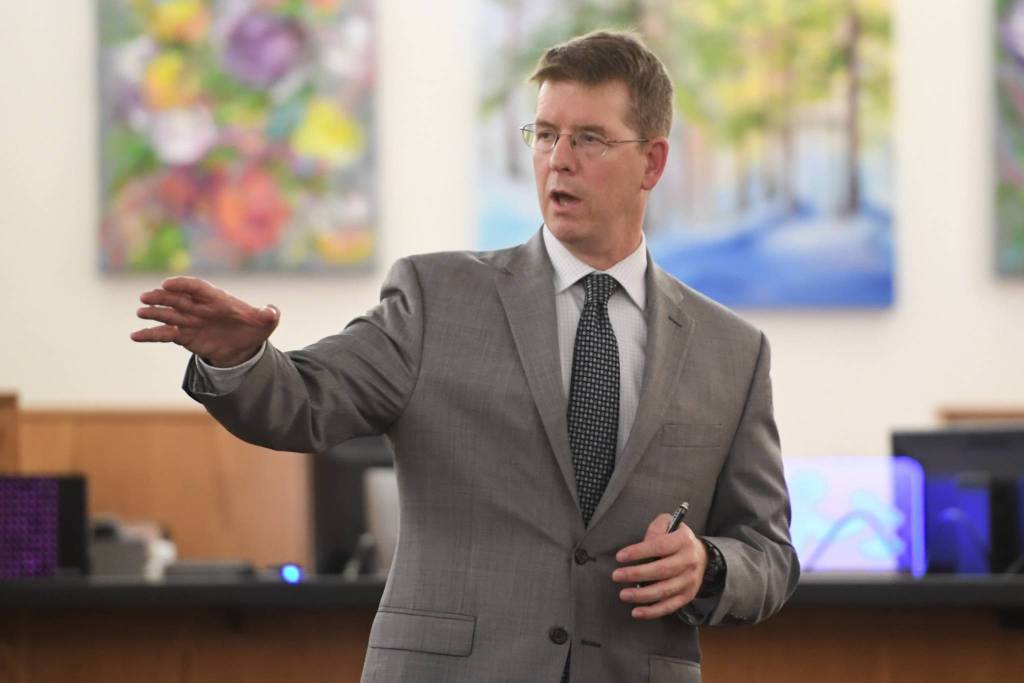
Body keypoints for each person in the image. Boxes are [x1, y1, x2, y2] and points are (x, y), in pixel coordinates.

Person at [132, 30, 798, 683]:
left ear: (652, 162)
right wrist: (241, 357)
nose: (557, 159)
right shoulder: (436, 297)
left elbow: (769, 550)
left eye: (588, 138)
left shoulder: (731, 351)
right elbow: (306, 402)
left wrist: (709, 565)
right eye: (544, 134)